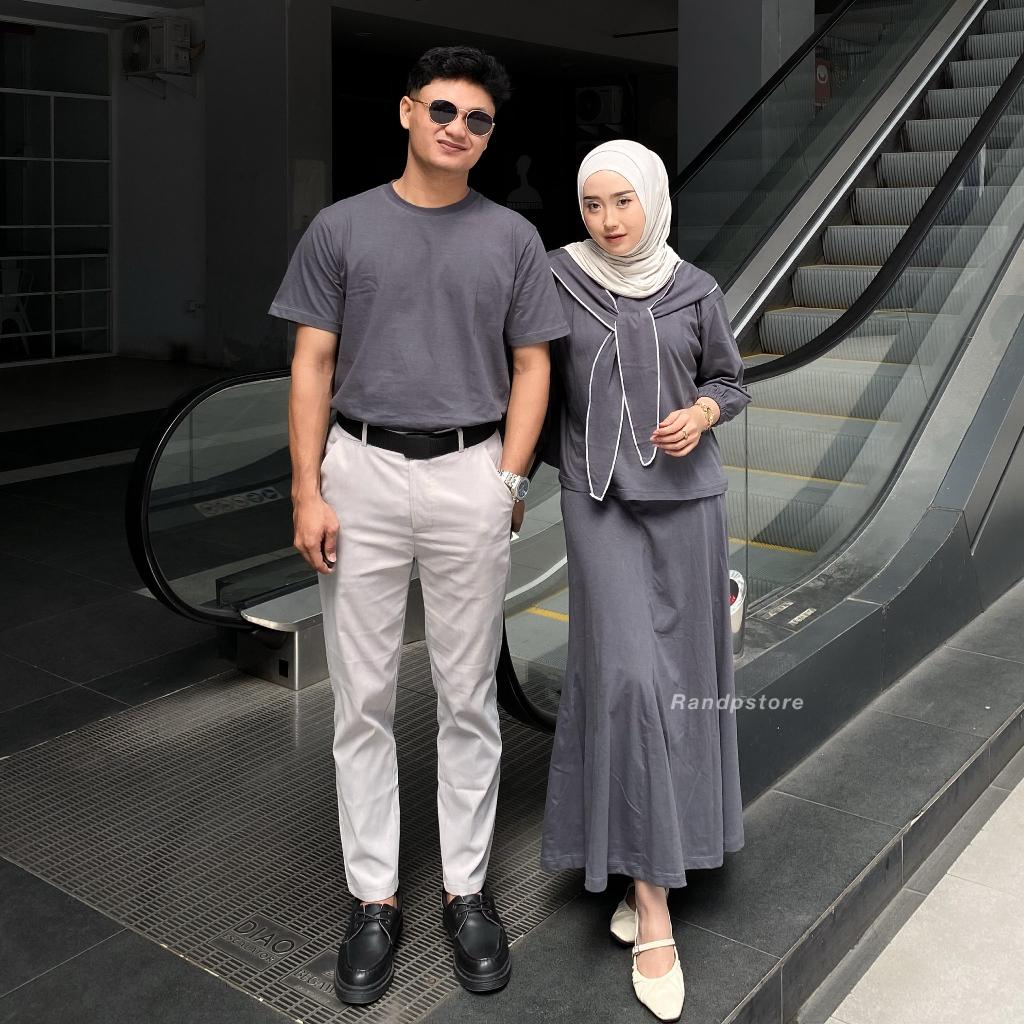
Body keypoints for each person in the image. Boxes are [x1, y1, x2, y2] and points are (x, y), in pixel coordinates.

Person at [268, 45, 568, 1006]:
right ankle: (375, 898)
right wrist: (307, 490)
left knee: (467, 693)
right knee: (360, 698)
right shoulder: (342, 227)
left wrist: (508, 478)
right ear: (407, 112)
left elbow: (534, 364)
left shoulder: (512, 238)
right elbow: (311, 363)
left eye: (478, 120)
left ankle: (466, 890)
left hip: (470, 471)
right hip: (357, 470)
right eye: (443, 110)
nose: (459, 129)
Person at [538, 140, 748, 1022]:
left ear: (653, 200)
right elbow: (526, 377)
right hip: (599, 504)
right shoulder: (557, 279)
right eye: (592, 204)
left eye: (623, 201)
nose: (608, 221)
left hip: (688, 504)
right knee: (625, 680)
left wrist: (701, 411)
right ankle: (655, 911)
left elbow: (729, 380)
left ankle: (645, 867)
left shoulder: (695, 289)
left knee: (680, 688)